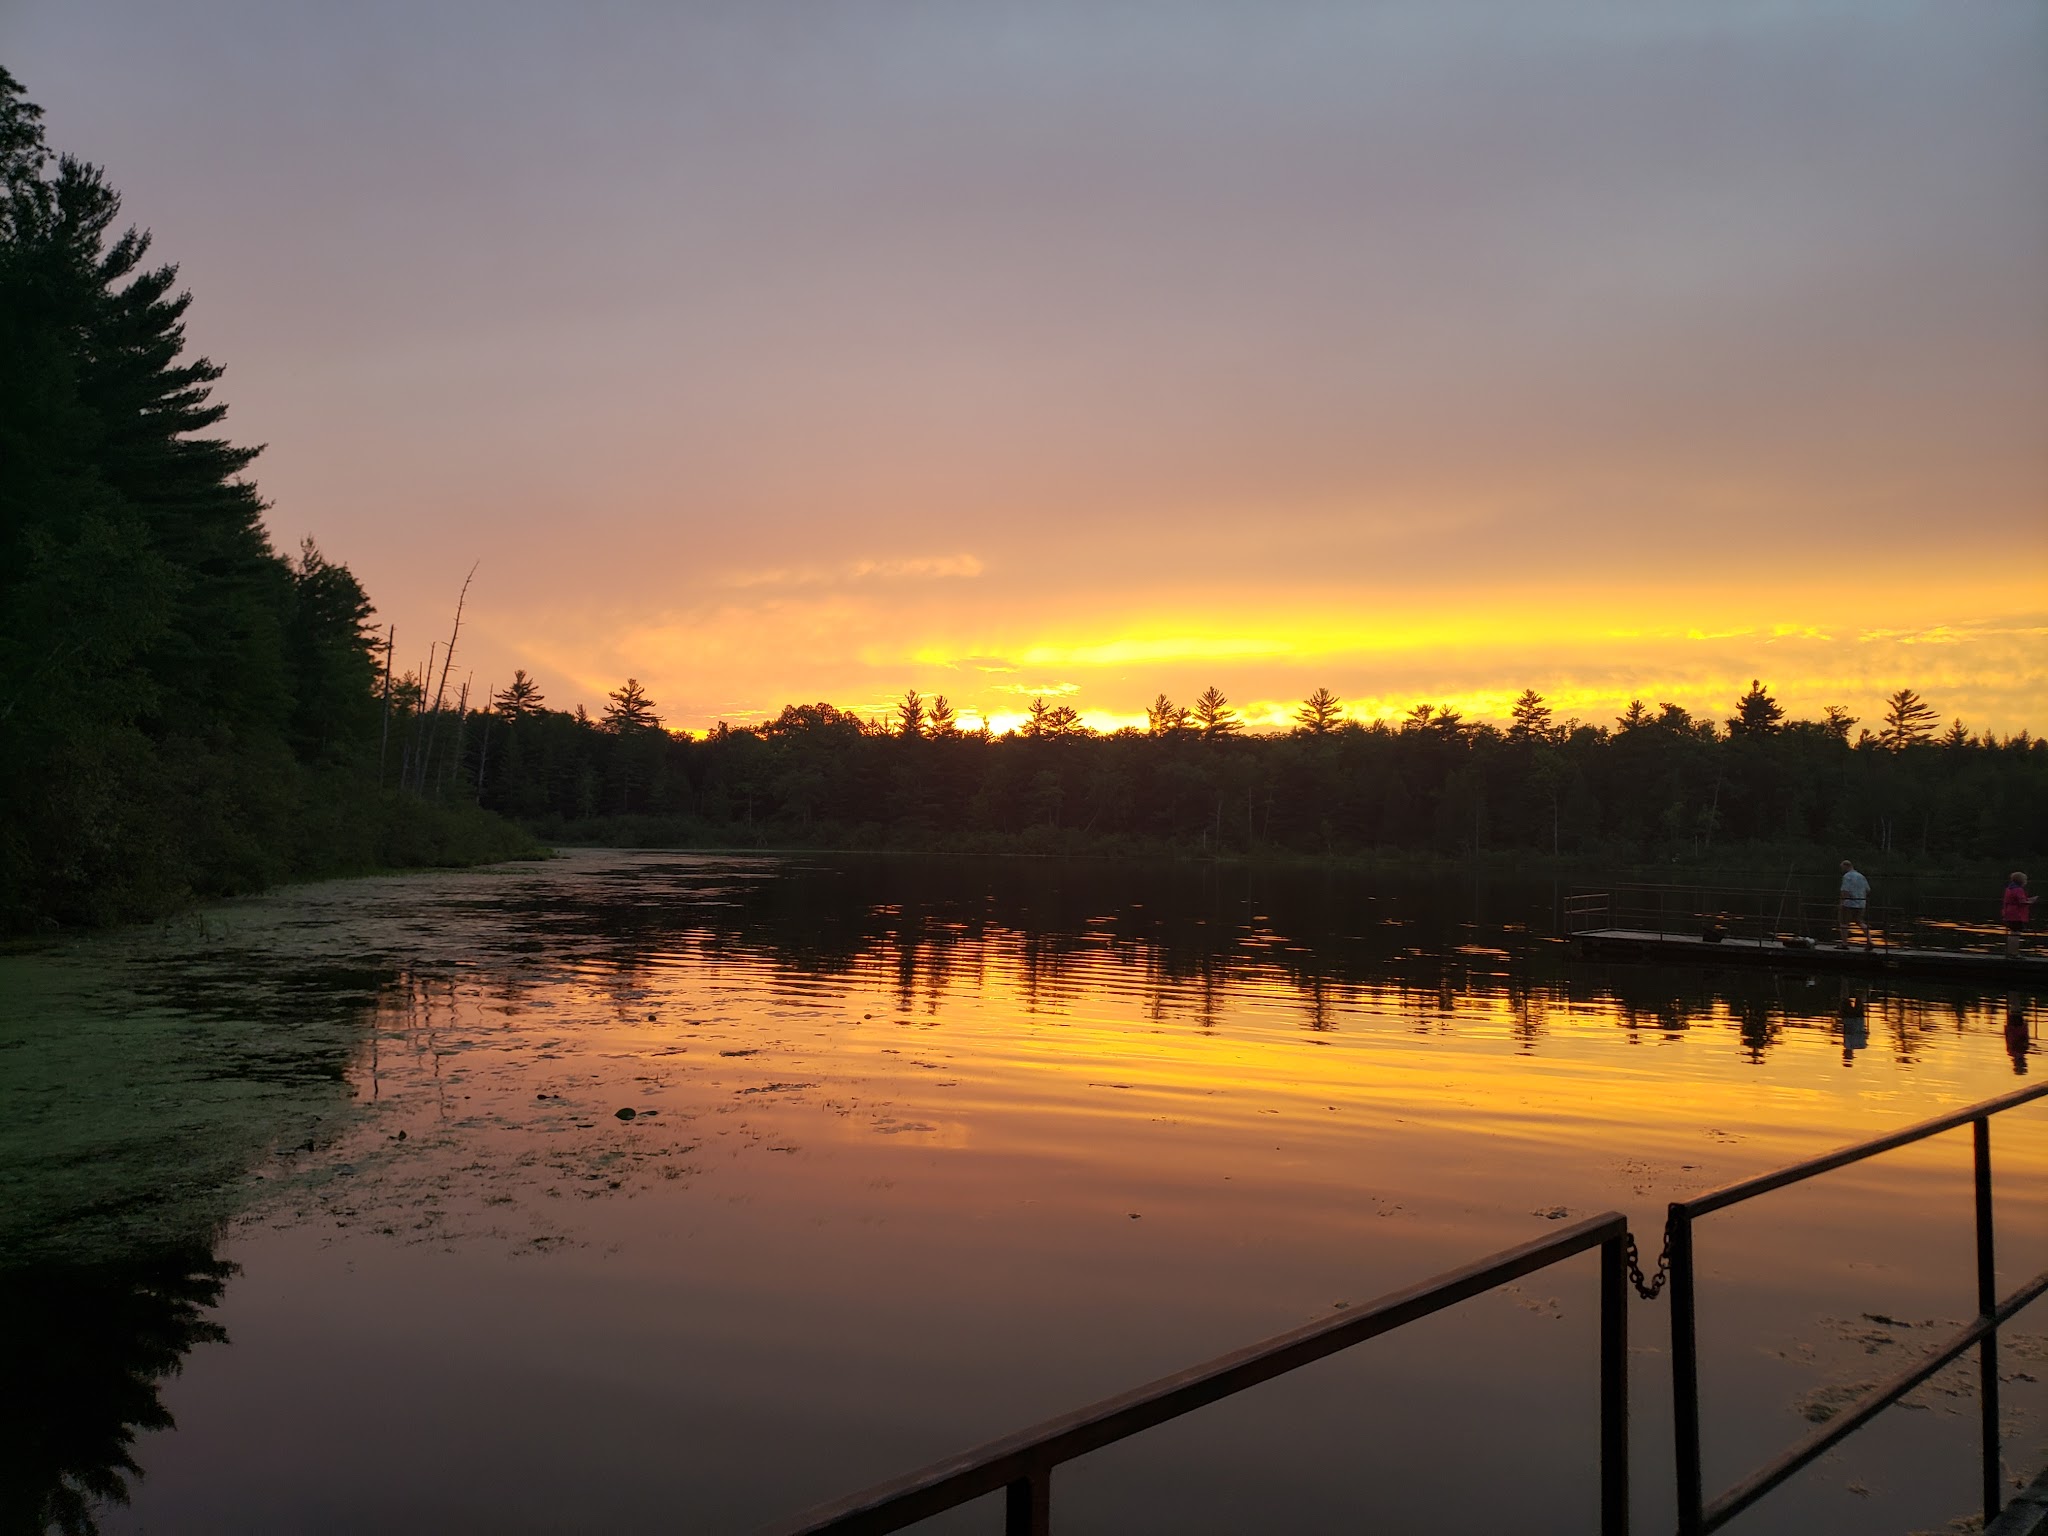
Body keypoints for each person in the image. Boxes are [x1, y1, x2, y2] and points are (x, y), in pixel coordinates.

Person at [1837, 860, 1872, 949]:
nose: (1842, 870)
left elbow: (1845, 891)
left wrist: (1842, 903)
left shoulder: (1847, 876)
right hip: (1861, 903)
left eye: (1842, 867)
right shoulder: (1861, 876)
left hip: (1849, 904)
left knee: (1844, 923)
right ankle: (1869, 941)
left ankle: (1844, 944)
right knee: (1860, 922)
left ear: (1846, 866)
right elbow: (1868, 890)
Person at [2003, 871, 2036, 958]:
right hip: (2017, 914)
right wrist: (2031, 901)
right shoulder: (2019, 890)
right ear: (2022, 881)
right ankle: (2014, 953)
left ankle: (2010, 952)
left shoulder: (2009, 888)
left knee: (2012, 933)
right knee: (2016, 933)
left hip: (2009, 913)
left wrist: (2027, 899)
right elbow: (2022, 902)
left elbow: (2015, 900)